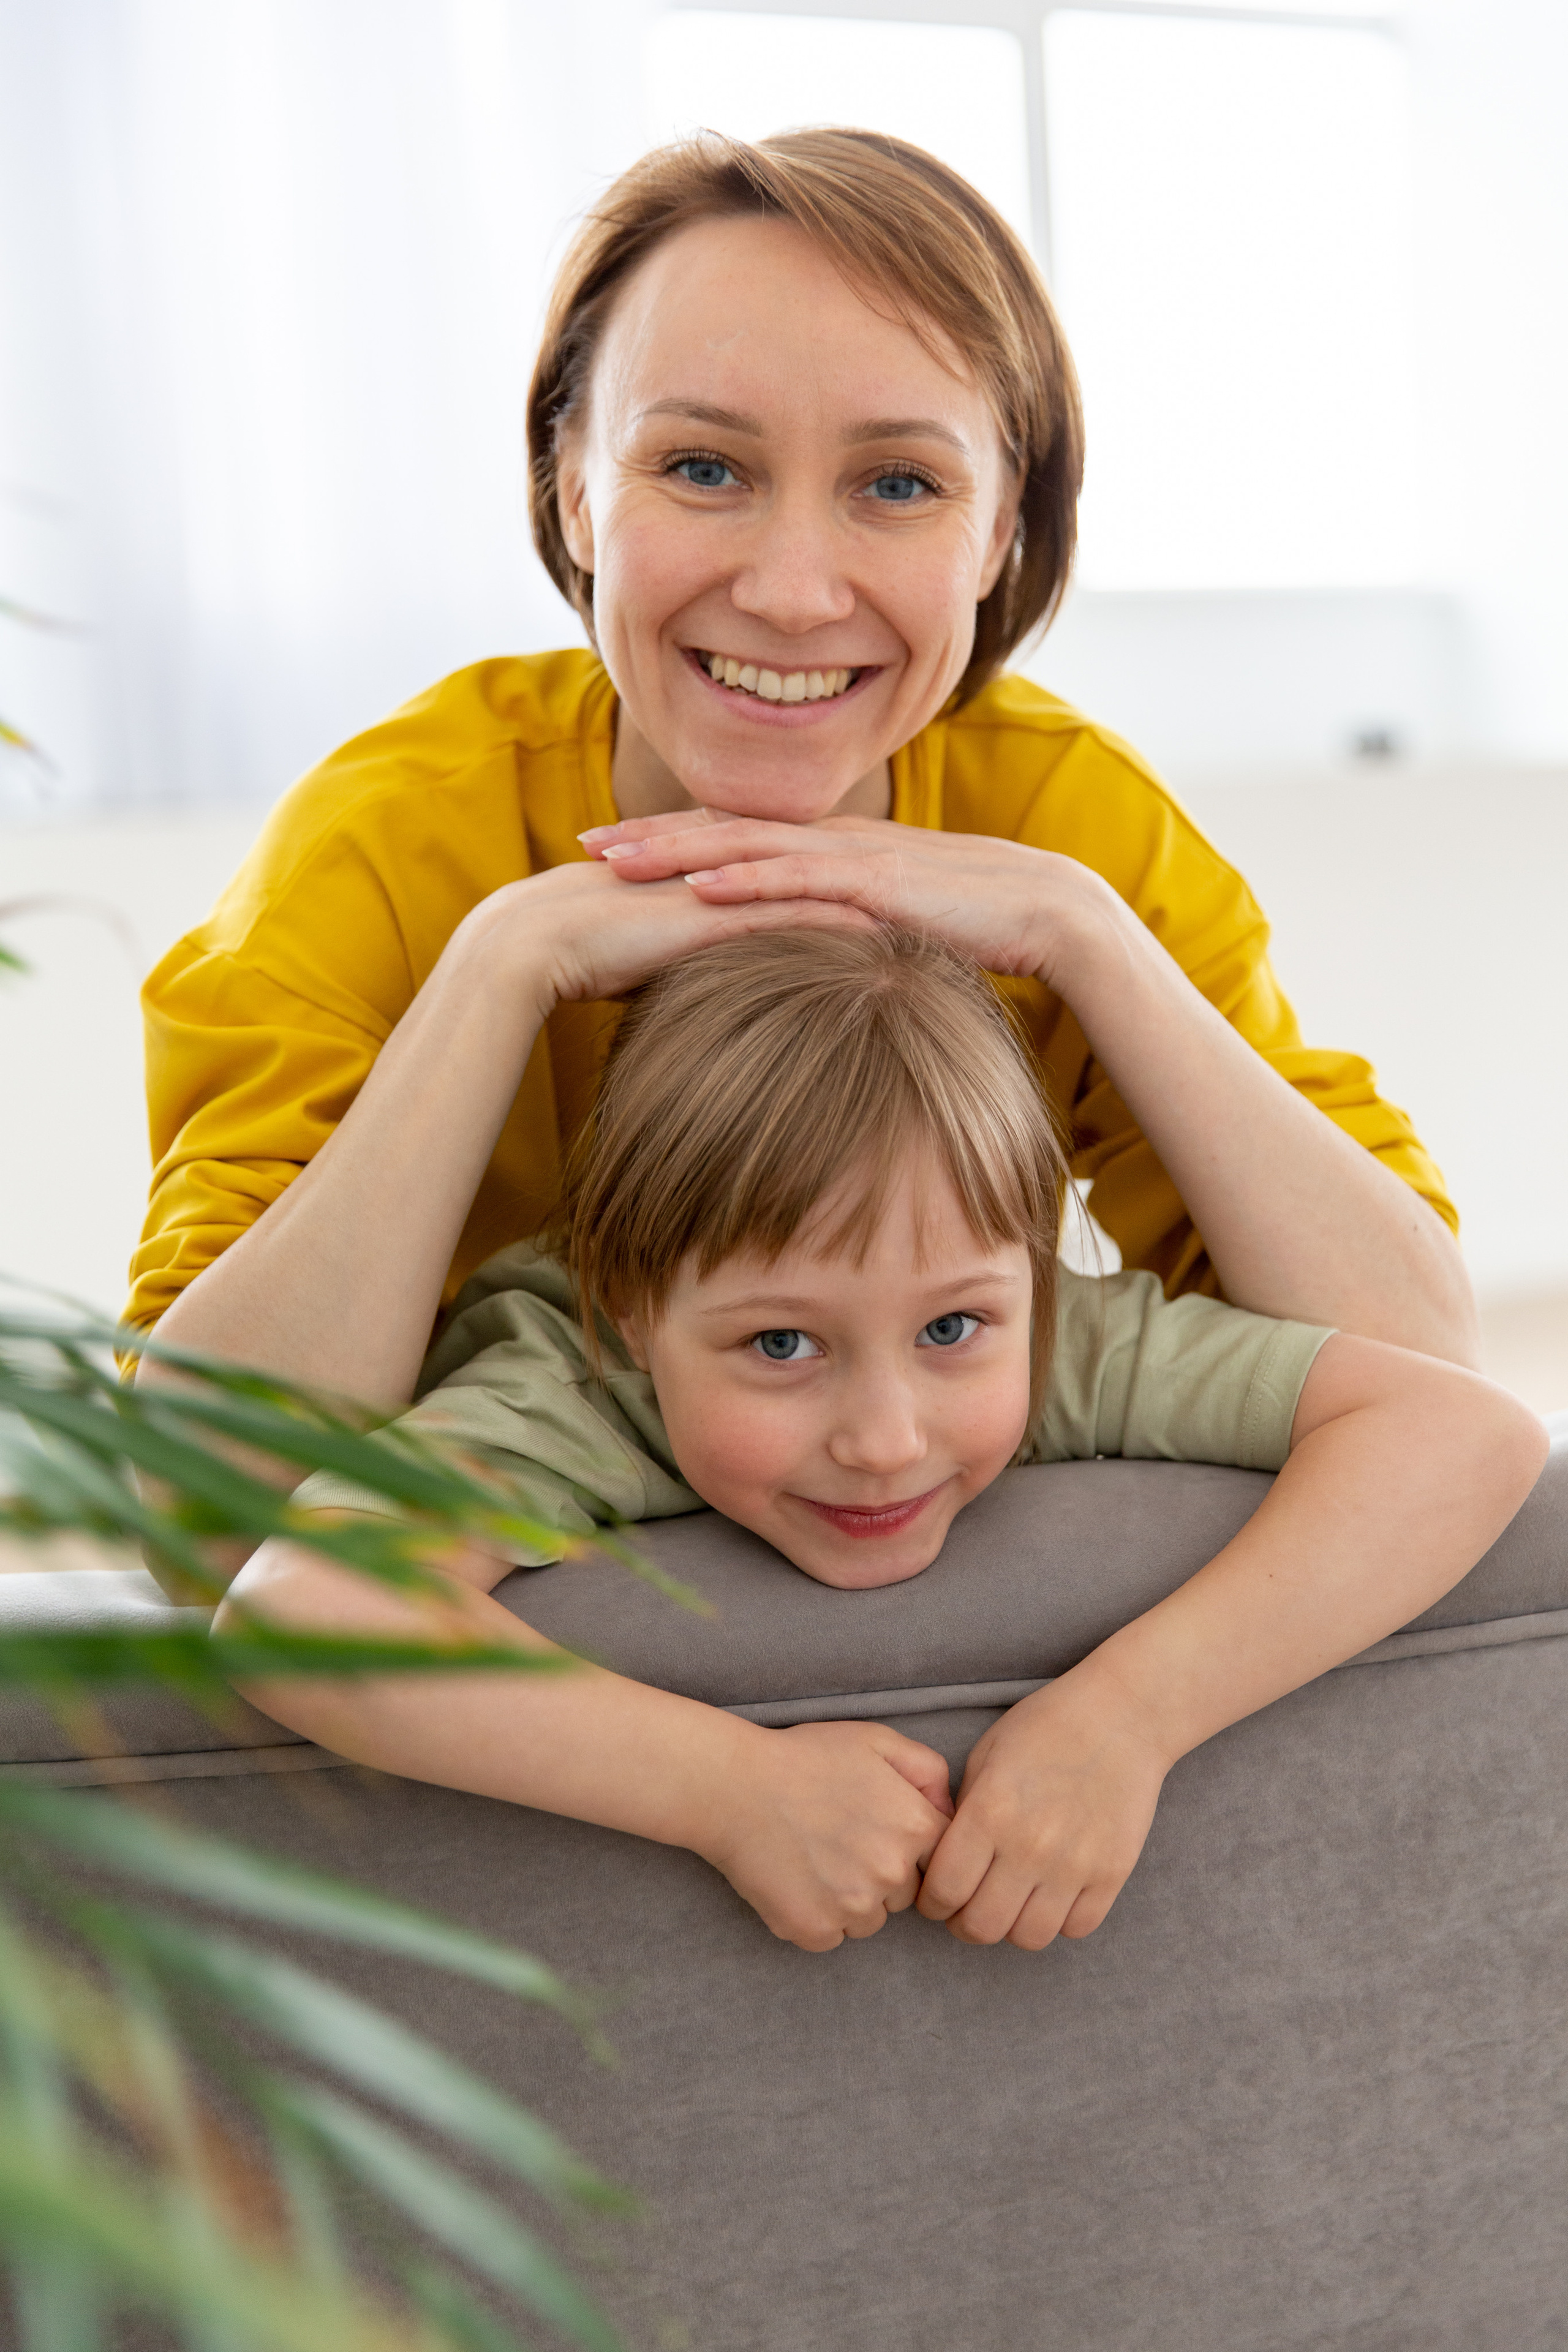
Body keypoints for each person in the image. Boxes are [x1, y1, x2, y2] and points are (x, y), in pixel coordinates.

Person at [130, 129, 1477, 1441]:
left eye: (896, 483)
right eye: (702, 468)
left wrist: (1087, 943)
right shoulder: (383, 839)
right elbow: (207, 1503)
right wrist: (500, 966)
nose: (789, 593)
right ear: (575, 490)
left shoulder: (1068, 821)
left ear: (1001, 530)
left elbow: (1420, 1367)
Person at [221, 930, 1545, 1956]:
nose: (884, 1437)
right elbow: (297, 1606)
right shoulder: (565, 1383)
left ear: (1028, 1278)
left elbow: (1463, 1428)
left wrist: (1127, 1716)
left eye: (954, 1329)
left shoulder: (1045, 1336)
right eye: (780, 1347)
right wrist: (726, 1791)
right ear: (629, 1322)